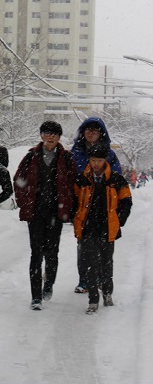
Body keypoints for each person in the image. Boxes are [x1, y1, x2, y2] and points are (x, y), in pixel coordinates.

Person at [13, 121, 76, 311]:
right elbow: (19, 180)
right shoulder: (31, 156)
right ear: (41, 135)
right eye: (47, 133)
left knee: (52, 252)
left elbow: (74, 184)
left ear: (59, 138)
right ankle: (36, 295)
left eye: (54, 134)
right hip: (36, 211)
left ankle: (48, 284)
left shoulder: (66, 158)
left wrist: (69, 208)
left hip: (56, 212)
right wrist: (24, 202)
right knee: (36, 253)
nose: (50, 137)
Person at [73, 143, 132, 314]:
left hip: (108, 227)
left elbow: (126, 201)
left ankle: (107, 292)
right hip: (89, 227)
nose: (96, 163)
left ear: (105, 160)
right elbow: (74, 201)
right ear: (89, 160)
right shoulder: (82, 179)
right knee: (90, 264)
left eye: (99, 160)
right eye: (93, 160)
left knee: (107, 263)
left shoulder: (116, 179)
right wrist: (76, 218)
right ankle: (93, 300)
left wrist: (118, 220)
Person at [71, 117, 121, 293]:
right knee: (83, 246)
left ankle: (100, 278)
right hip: (83, 207)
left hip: (105, 207)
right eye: (88, 129)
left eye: (95, 129)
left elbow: (118, 180)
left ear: (101, 133)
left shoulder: (110, 154)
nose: (91, 132)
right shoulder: (76, 153)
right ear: (83, 132)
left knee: (104, 248)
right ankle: (84, 279)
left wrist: (117, 211)